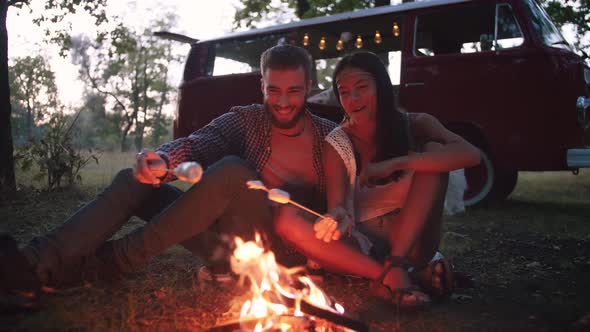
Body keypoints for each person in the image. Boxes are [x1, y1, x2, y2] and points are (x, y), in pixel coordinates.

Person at [0, 44, 336, 310]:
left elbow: (344, 205)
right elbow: (199, 144)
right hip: (224, 243)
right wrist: (161, 161)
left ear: (309, 86)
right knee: (136, 179)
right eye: (273, 90)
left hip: (277, 255)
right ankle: (30, 265)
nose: (282, 101)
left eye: (293, 91)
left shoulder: (329, 139)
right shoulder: (248, 121)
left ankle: (111, 262)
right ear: (262, 85)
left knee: (233, 171)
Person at [273, 51, 481, 310]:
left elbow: (471, 155)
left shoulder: (416, 124)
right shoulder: (337, 142)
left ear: (381, 87)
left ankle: (395, 267)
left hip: (414, 244)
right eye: (344, 92)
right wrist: (339, 216)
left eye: (362, 88)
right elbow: (338, 205)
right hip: (362, 247)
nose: (353, 99)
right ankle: (395, 276)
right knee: (286, 218)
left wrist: (399, 162)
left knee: (435, 157)